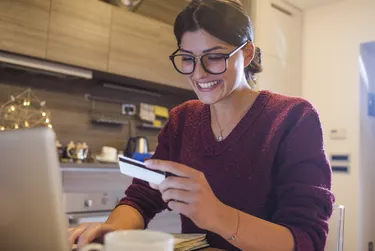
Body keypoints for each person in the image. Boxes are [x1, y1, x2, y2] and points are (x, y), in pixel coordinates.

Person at [69, 0, 335, 250]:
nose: (198, 73)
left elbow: (307, 240)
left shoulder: (293, 118)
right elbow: (142, 196)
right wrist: (113, 230)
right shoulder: (182, 120)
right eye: (188, 58)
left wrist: (217, 215)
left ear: (247, 53)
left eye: (214, 57)